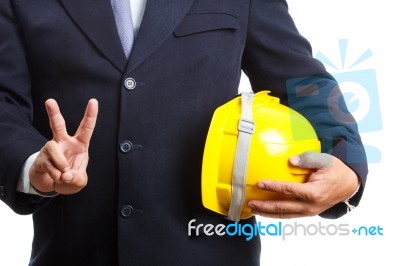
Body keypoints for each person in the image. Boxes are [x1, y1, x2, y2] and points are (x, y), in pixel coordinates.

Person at [0, 0, 368, 265]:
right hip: (73, 252)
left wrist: (347, 165)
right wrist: (31, 163)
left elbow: (303, 82)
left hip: (209, 250)